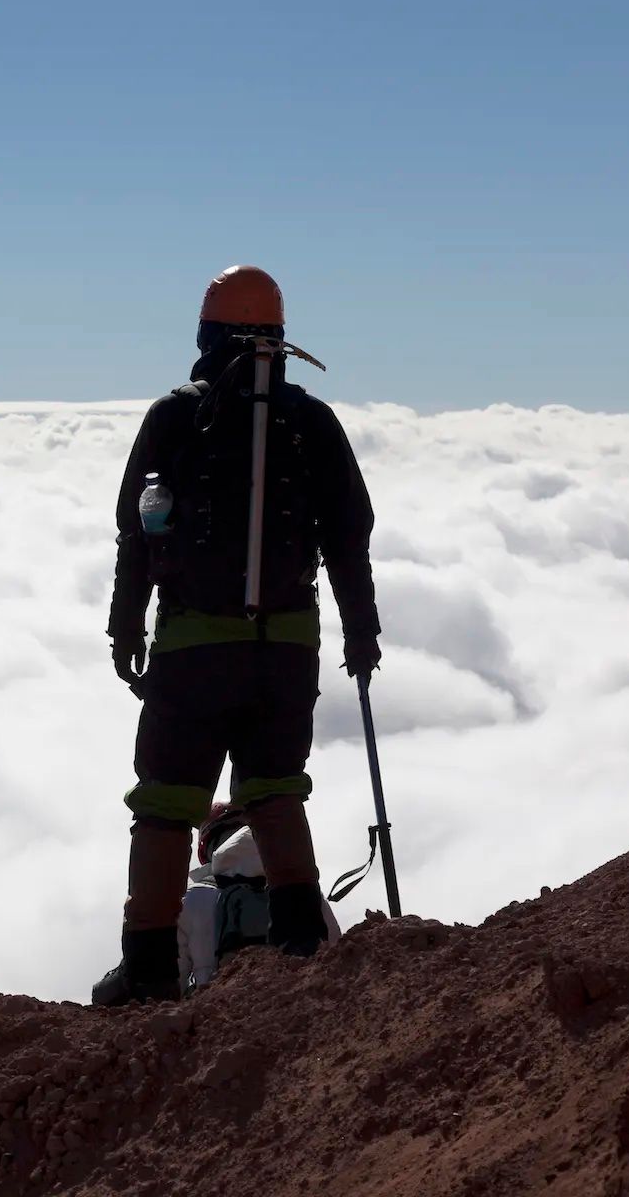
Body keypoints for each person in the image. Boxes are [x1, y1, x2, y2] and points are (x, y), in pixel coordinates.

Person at [92, 265, 381, 1007]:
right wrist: (361, 631)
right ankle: (300, 944)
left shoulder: (173, 417)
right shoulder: (311, 421)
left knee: (165, 804)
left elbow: (136, 533)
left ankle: (149, 966)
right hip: (287, 649)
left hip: (194, 651)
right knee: (277, 791)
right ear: (281, 339)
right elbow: (349, 536)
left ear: (205, 333)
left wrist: (126, 626)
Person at [180, 804, 342, 994]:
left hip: (224, 1015)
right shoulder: (298, 887)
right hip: (302, 1008)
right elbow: (336, 955)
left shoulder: (192, 900)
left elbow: (171, 986)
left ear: (203, 850)